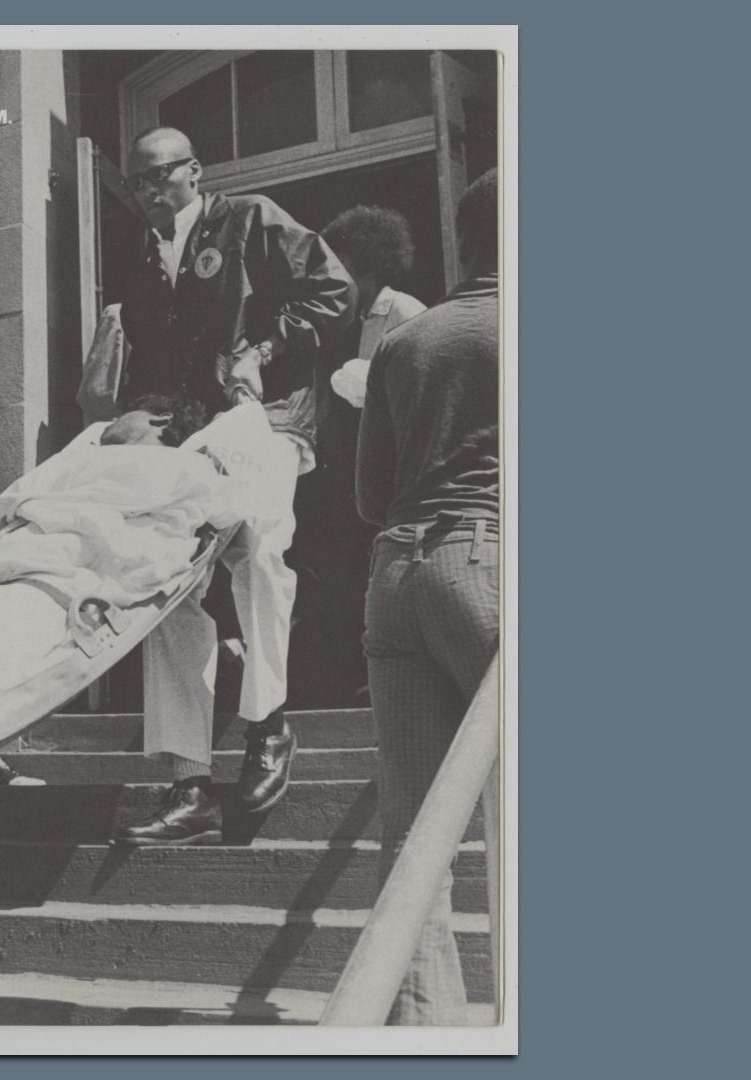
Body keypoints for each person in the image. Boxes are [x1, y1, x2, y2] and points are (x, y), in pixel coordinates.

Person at [111, 127, 354, 845]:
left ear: (196, 170)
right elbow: (152, 358)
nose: (153, 192)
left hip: (266, 419)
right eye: (139, 184)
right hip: (193, 436)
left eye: (164, 176)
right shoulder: (140, 260)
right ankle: (188, 781)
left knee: (258, 544)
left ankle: (269, 728)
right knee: (164, 578)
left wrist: (268, 346)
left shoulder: (250, 219)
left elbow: (332, 289)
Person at [356, 168, 500, 1025]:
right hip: (486, 561)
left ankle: (420, 1035)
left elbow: (371, 497)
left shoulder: (405, 343)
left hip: (395, 578)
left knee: (413, 840)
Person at [293, 206, 431, 707]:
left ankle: (386, 683)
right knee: (335, 584)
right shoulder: (333, 318)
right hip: (334, 478)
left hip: (384, 478)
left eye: (338, 264)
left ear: (369, 266)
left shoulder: (407, 314)